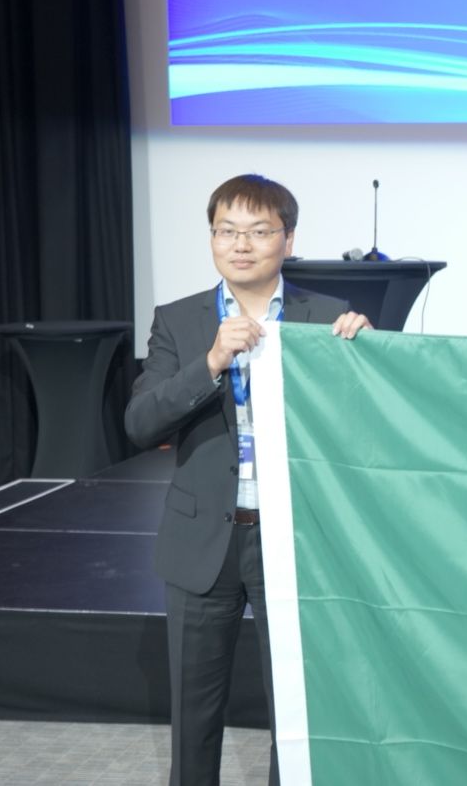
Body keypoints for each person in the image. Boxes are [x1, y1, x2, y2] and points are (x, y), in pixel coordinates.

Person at [125, 174, 371, 785]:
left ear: (288, 240)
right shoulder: (178, 321)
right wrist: (210, 361)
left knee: (297, 712)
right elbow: (140, 422)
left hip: (294, 539)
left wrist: (365, 361)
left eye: (259, 231)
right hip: (202, 540)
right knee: (194, 715)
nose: (241, 245)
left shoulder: (328, 318)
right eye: (226, 231)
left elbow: (362, 428)